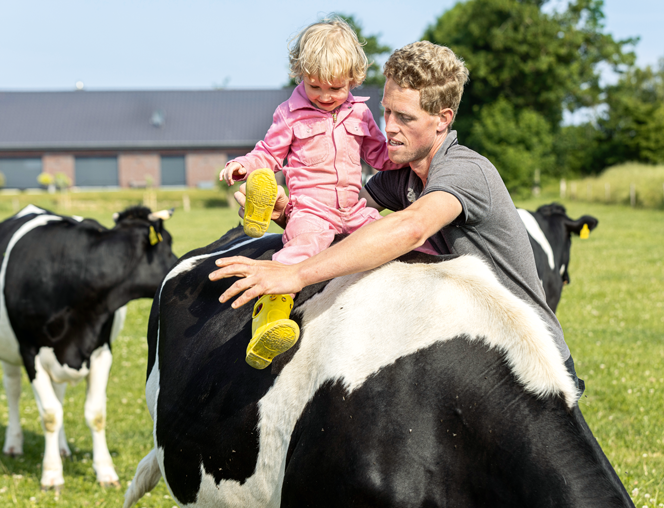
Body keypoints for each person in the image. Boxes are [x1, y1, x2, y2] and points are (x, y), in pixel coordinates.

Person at [212, 41, 583, 391]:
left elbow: (410, 227)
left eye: (404, 117)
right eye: (386, 111)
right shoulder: (397, 179)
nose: (388, 127)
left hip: (532, 360)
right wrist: (289, 212)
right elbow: (344, 225)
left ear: (443, 119)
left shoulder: (466, 171)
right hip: (469, 350)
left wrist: (293, 274)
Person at [218, 17, 403, 370]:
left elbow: (378, 155)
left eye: (334, 89)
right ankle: (269, 321)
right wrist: (246, 164)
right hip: (311, 209)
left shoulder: (360, 112)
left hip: (353, 207)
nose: (324, 96)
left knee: (386, 239)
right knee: (298, 252)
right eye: (314, 86)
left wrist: (409, 159)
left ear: (354, 78)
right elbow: (269, 153)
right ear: (300, 74)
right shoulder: (289, 113)